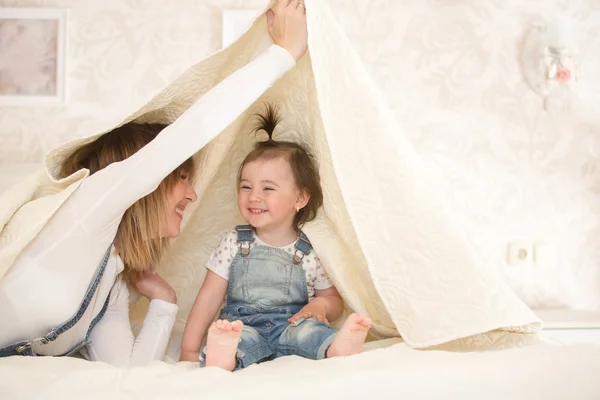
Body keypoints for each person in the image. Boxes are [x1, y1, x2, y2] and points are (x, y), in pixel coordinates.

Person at [0, 0, 308, 366]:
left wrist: (164, 301)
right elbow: (191, 130)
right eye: (181, 178)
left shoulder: (111, 281)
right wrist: (284, 54)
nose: (192, 194)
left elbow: (129, 371)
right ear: (151, 180)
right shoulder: (85, 210)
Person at [179, 105, 372, 370]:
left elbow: (335, 301)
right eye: (246, 186)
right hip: (243, 325)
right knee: (236, 338)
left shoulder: (310, 250)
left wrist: (321, 305)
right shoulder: (234, 242)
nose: (253, 196)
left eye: (267, 188)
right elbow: (208, 298)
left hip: (292, 326)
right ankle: (221, 356)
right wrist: (188, 349)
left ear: (300, 198)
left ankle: (335, 347)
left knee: (309, 333)